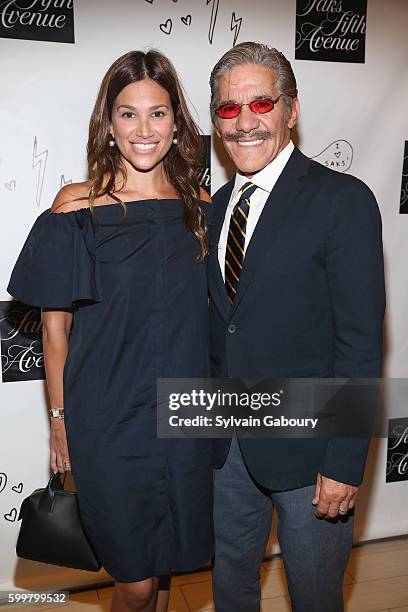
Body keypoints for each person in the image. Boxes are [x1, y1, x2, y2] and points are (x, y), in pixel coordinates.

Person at [8, 49, 213, 612]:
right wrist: (59, 422)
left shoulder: (200, 206)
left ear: (177, 122)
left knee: (167, 562)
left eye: (158, 113)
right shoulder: (77, 207)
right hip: (107, 416)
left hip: (185, 412)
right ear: (109, 122)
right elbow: (55, 334)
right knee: (135, 579)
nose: (143, 130)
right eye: (128, 114)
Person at [208, 42, 385, 611]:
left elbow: (360, 344)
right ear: (216, 120)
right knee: (230, 591)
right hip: (225, 451)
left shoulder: (343, 201)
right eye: (229, 110)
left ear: (292, 109)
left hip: (311, 457)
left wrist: (342, 463)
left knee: (315, 598)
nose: (246, 123)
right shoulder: (211, 209)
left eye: (262, 104)